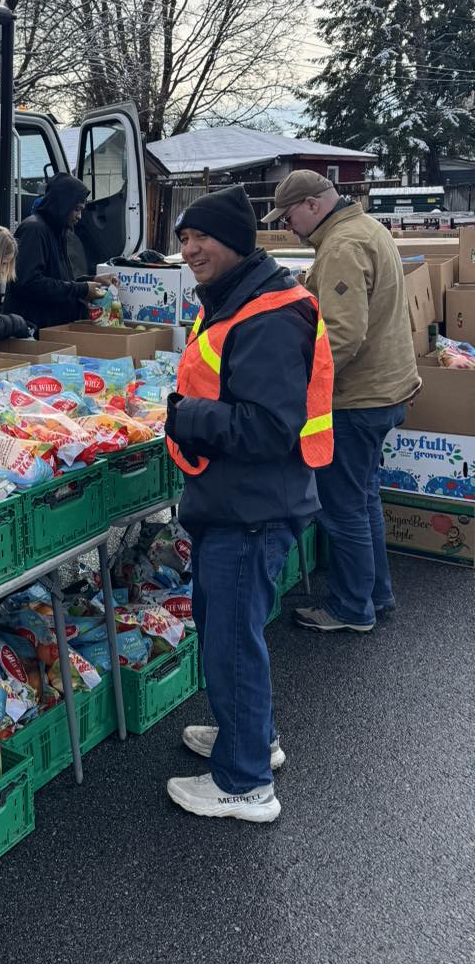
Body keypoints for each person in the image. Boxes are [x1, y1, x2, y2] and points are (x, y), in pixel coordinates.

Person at [164, 184, 334, 823]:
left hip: (253, 506)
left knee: (233, 641)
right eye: (183, 239)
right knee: (228, 632)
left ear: (236, 241)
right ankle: (250, 738)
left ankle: (244, 782)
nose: (189, 249)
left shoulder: (265, 315)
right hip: (239, 499)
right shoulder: (242, 299)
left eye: (200, 237)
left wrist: (188, 418)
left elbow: (268, 427)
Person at [264, 171, 419, 632]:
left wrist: (292, 386)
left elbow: (342, 335)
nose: (289, 227)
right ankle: (376, 593)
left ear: (313, 205)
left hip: (357, 398)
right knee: (363, 499)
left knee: (341, 506)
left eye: (290, 217)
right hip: (385, 389)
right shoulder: (367, 229)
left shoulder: (342, 246)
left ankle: (352, 608)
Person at [2, 174, 111, 329]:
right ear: (63, 204)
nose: (79, 216)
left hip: (48, 328)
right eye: (76, 209)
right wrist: (81, 289)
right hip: (32, 330)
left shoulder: (55, 231)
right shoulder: (34, 230)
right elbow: (29, 283)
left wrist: (92, 280)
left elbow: (56, 278)